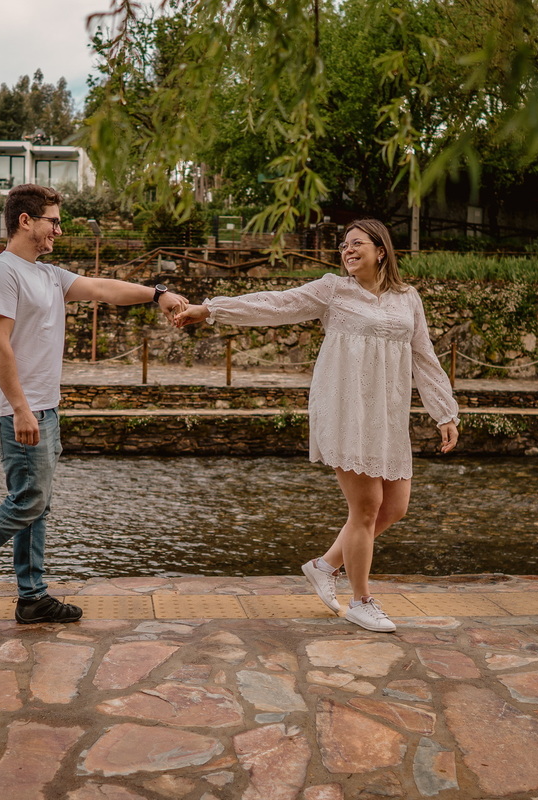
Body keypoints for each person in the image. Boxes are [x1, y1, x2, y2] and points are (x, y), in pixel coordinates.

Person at [174, 219, 459, 632]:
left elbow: (424, 357)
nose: (347, 250)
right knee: (366, 508)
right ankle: (361, 600)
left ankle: (324, 566)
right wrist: (211, 309)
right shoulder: (334, 290)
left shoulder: (407, 298)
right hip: (345, 409)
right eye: (343, 245)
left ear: (381, 250)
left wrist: (444, 412)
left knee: (394, 508)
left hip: (387, 414)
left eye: (357, 243)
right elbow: (276, 304)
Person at [0, 183, 188, 627]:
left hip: (44, 407)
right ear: (25, 220)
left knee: (36, 503)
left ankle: (32, 598)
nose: (59, 231)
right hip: (17, 410)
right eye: (54, 221)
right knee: (28, 500)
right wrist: (20, 408)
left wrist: (156, 293)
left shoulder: (48, 275)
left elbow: (102, 288)